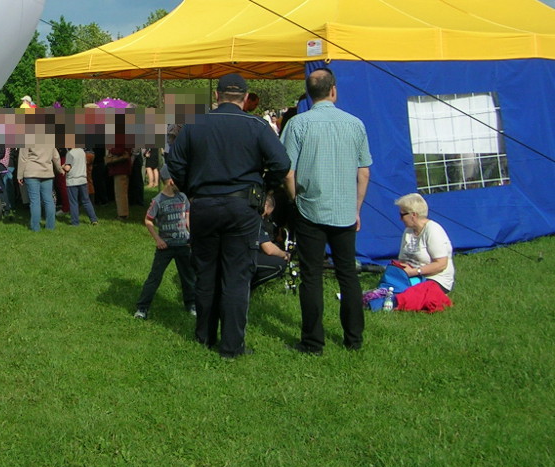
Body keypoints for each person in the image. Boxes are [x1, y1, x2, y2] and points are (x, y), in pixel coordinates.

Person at [168, 73, 291, 359]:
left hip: (205, 204)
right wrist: (264, 189)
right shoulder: (257, 125)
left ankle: (204, 337)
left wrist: (191, 190)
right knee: (237, 275)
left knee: (206, 272)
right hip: (241, 206)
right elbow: (281, 163)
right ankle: (232, 346)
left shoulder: (194, 125)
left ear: (217, 96)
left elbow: (175, 162)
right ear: (245, 98)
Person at [282, 68, 372, 355]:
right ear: (333, 90)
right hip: (344, 209)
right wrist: (357, 208)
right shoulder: (355, 124)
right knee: (348, 274)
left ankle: (312, 342)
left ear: (309, 94)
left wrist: (295, 199)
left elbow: (287, 171)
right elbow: (364, 172)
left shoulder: (297, 124)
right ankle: (354, 339)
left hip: (310, 207)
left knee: (311, 276)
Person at [134, 165, 196, 320]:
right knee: (154, 277)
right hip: (165, 247)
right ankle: (142, 308)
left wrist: (192, 236)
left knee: (188, 277)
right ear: (171, 181)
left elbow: (187, 219)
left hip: (183, 245)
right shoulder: (158, 201)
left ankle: (191, 304)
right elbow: (148, 220)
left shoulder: (183, 197)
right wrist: (158, 239)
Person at [393, 193, 455, 294]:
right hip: (413, 277)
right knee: (387, 290)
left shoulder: (433, 230)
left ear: (413, 215)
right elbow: (402, 260)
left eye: (402, 215)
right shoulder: (408, 231)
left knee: (405, 295)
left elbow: (441, 264)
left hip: (435, 279)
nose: (400, 219)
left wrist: (414, 272)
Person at [17, 143, 64, 231]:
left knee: (35, 201)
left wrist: (19, 175)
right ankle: (50, 226)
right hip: (47, 172)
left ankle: (35, 227)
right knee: (49, 200)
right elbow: (56, 156)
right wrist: (60, 169)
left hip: (31, 172)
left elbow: (23, 157)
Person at [63, 142, 98, 225]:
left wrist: (62, 166)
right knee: (86, 201)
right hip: (82, 180)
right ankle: (94, 219)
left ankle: (75, 222)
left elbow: (67, 168)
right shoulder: (82, 152)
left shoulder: (70, 153)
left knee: (74, 203)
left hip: (72, 181)